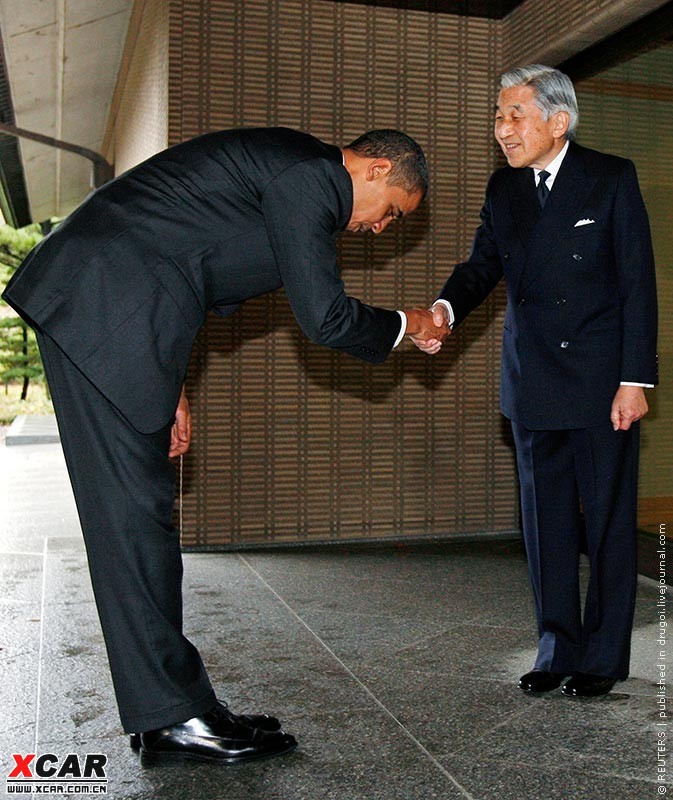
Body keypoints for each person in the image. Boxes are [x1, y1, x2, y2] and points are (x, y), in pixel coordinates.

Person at [2, 127, 449, 765]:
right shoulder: (311, 181)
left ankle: (176, 709)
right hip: (103, 306)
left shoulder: (297, 179)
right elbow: (322, 317)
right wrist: (409, 325)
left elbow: (188, 264)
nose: (381, 230)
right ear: (377, 169)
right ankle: (172, 717)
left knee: (141, 514)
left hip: (123, 312)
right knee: (132, 519)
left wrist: (172, 383)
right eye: (392, 214)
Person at [415, 66, 658, 697]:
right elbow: (479, 267)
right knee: (544, 523)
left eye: (514, 115)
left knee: (605, 521)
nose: (502, 129)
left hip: (602, 383)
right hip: (532, 382)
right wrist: (443, 310)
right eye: (498, 116)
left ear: (559, 120)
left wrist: (636, 380)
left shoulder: (609, 177)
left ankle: (601, 659)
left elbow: (638, 284)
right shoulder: (505, 191)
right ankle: (555, 651)